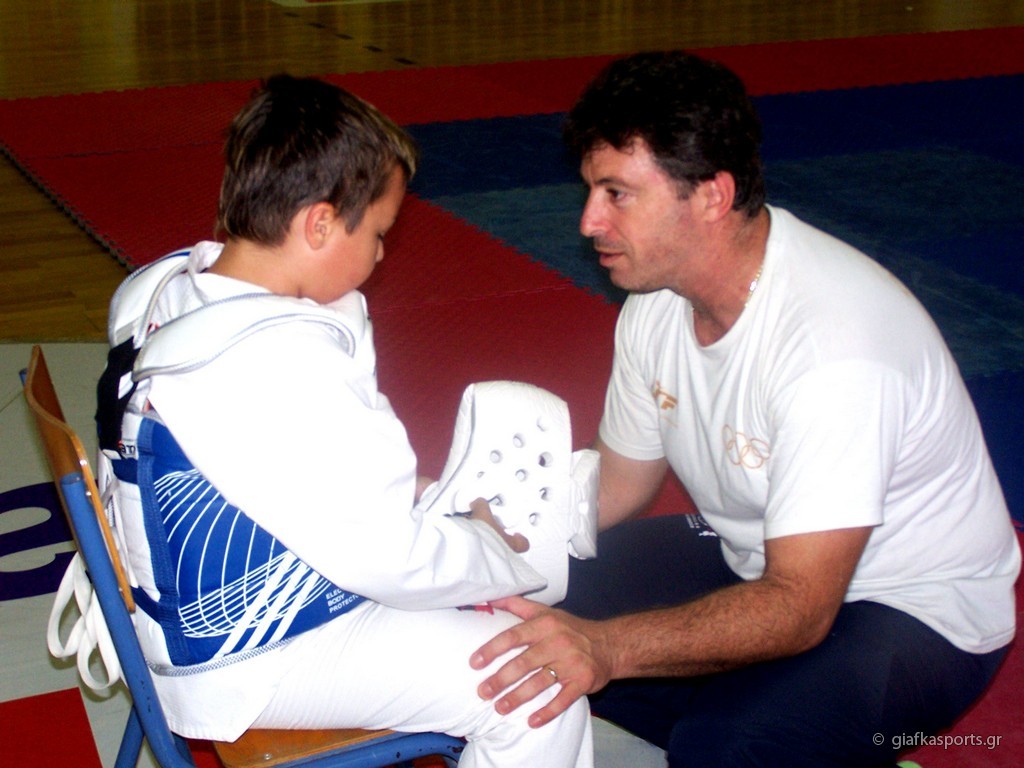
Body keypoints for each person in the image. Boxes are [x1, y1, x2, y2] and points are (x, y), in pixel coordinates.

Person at [469, 51, 1021, 767]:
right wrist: (488, 526)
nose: (588, 221)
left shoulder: (833, 349)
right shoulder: (656, 305)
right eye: (591, 190)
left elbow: (800, 608)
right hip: (763, 560)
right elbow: (617, 486)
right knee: (513, 613)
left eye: (617, 194)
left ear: (712, 196)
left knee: (728, 744)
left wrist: (606, 649)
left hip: (912, 611)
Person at [93, 74, 593, 768]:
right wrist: (493, 552)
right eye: (379, 233)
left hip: (175, 617)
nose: (383, 254)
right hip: (255, 657)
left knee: (452, 574)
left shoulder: (163, 289)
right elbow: (391, 560)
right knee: (541, 685)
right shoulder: (280, 360)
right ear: (319, 224)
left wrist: (424, 502)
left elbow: (270, 463)